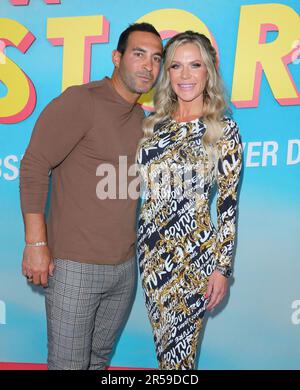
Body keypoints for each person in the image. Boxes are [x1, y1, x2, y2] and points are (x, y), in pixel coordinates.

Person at [19, 23, 162, 370]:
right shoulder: (82, 100)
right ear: (117, 57)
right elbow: (34, 166)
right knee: (68, 364)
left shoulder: (143, 121)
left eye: (156, 58)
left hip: (124, 269)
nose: (148, 66)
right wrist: (36, 245)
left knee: (98, 361)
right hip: (74, 267)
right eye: (138, 54)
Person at [136, 31, 243, 370]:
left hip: (193, 255)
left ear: (207, 72)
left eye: (194, 65)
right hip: (152, 255)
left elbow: (227, 206)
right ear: (166, 73)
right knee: (164, 351)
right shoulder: (153, 127)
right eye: (176, 66)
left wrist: (222, 269)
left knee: (179, 358)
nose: (185, 76)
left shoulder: (223, 131)